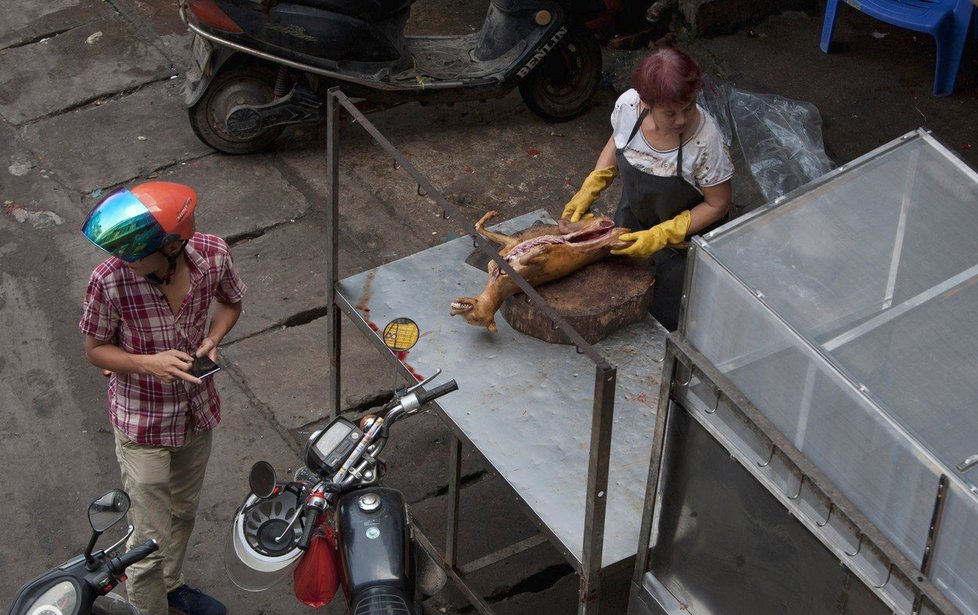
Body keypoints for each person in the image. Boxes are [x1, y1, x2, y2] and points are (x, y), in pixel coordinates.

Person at [79, 181, 246, 615]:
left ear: (172, 246)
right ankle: (148, 608)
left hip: (196, 413)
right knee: (148, 540)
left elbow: (232, 303)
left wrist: (213, 337)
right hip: (141, 423)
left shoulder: (212, 255)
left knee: (183, 512)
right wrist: (147, 363)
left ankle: (172, 586)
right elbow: (96, 350)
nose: (124, 259)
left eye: (136, 252)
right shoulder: (109, 281)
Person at [562, 47, 732, 331]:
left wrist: (663, 234)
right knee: (615, 291)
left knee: (666, 314)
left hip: (683, 243)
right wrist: (593, 185)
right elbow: (616, 141)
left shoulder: (706, 140)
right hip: (633, 217)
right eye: (670, 113)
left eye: (688, 107)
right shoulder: (628, 107)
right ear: (645, 103)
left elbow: (718, 203)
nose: (681, 119)